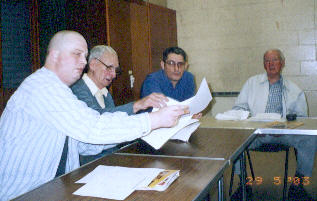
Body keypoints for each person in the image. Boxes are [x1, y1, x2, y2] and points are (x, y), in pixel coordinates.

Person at [0, 30, 188, 201]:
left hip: (51, 189)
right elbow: (93, 127)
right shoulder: (42, 87)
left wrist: (149, 127)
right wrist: (153, 120)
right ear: (55, 55)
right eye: (77, 54)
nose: (83, 62)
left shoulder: (59, 90)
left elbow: (85, 144)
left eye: (85, 55)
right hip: (22, 194)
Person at [232, 49, 316, 200]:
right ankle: (244, 184)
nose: (271, 64)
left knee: (310, 138)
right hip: (256, 135)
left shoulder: (294, 89)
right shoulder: (251, 83)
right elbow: (238, 108)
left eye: (275, 60)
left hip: (285, 135)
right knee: (235, 139)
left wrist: (287, 129)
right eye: (267, 61)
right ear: (264, 64)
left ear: (282, 63)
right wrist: (250, 121)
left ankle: (298, 185)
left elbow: (302, 119)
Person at [71, 45, 168, 164]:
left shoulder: (105, 93)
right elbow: (98, 119)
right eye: (109, 68)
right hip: (88, 166)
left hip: (111, 159)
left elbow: (118, 122)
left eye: (115, 70)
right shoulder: (76, 90)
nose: (114, 75)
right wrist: (137, 105)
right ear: (93, 64)